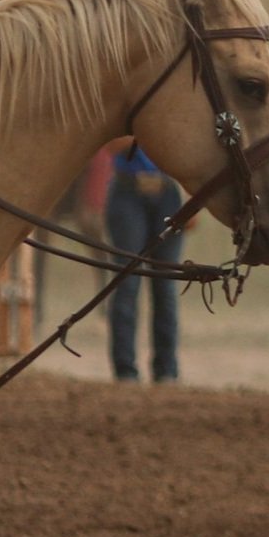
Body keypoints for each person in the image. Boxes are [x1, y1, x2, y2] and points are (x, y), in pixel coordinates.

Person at [106, 137, 184, 383]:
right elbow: (112, 144)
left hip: (167, 191)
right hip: (129, 189)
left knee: (166, 285)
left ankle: (166, 368)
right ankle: (125, 368)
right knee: (126, 282)